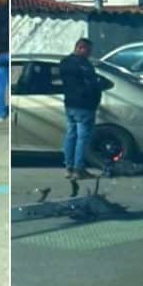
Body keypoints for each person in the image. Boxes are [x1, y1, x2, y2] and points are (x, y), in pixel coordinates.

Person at [60, 38, 102, 180]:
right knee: (82, 138)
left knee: (71, 135)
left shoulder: (65, 62)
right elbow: (91, 85)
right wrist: (94, 98)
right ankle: (79, 169)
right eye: (88, 51)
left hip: (70, 104)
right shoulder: (84, 65)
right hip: (84, 105)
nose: (90, 54)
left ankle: (68, 167)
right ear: (81, 48)